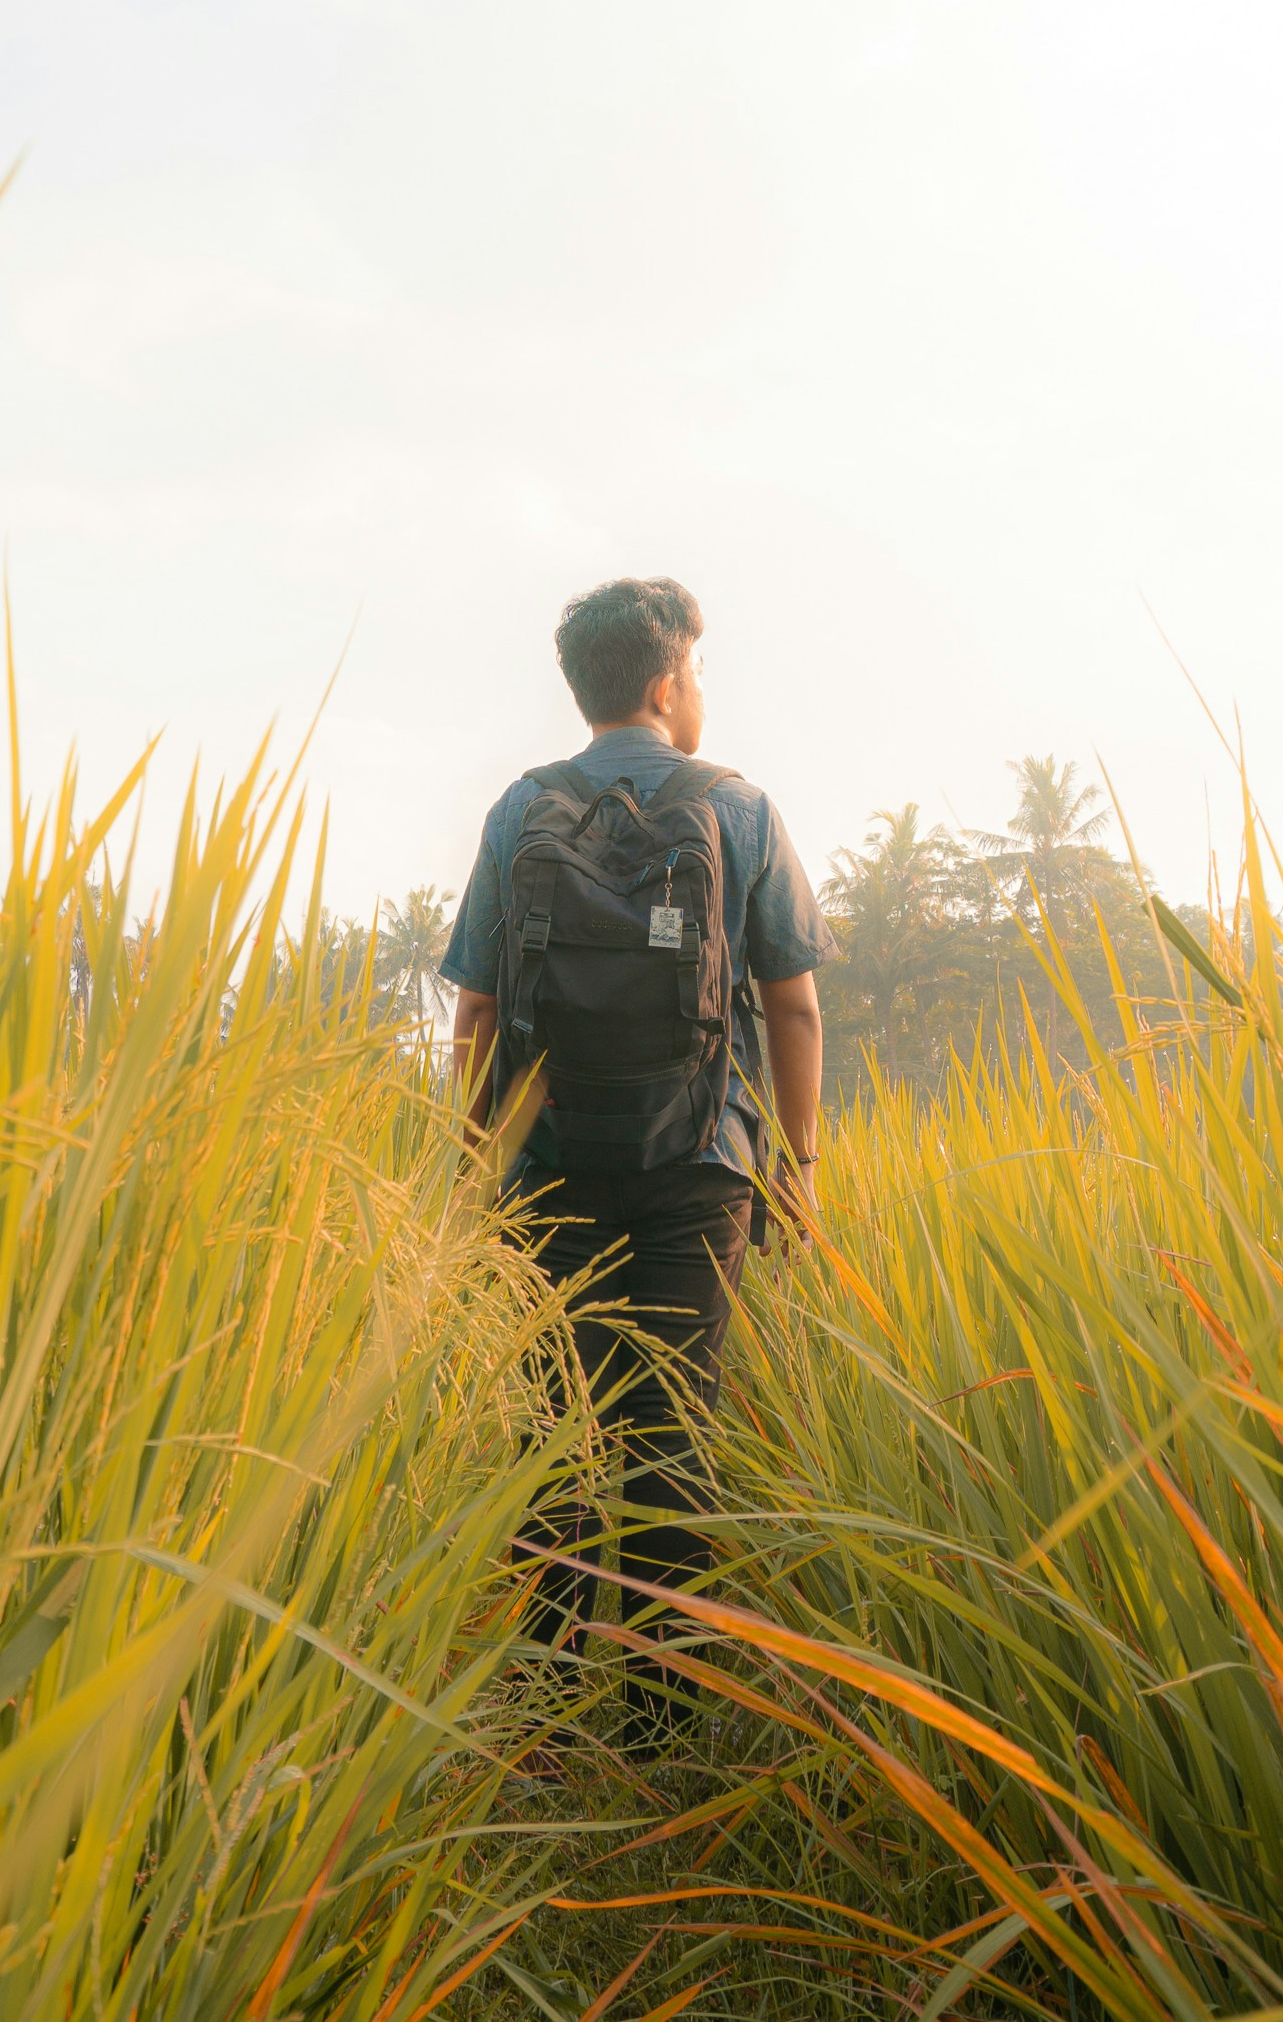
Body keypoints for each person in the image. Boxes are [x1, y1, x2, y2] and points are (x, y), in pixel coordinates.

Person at [440, 575, 833, 1740]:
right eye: (698, 670)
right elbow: (795, 1009)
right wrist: (798, 1167)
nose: (700, 691)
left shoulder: (523, 809)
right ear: (666, 682)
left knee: (556, 1429)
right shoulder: (737, 805)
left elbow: (469, 1014)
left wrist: (475, 1177)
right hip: (698, 1168)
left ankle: (550, 1721)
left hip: (547, 1170)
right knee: (674, 1426)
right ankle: (660, 1731)